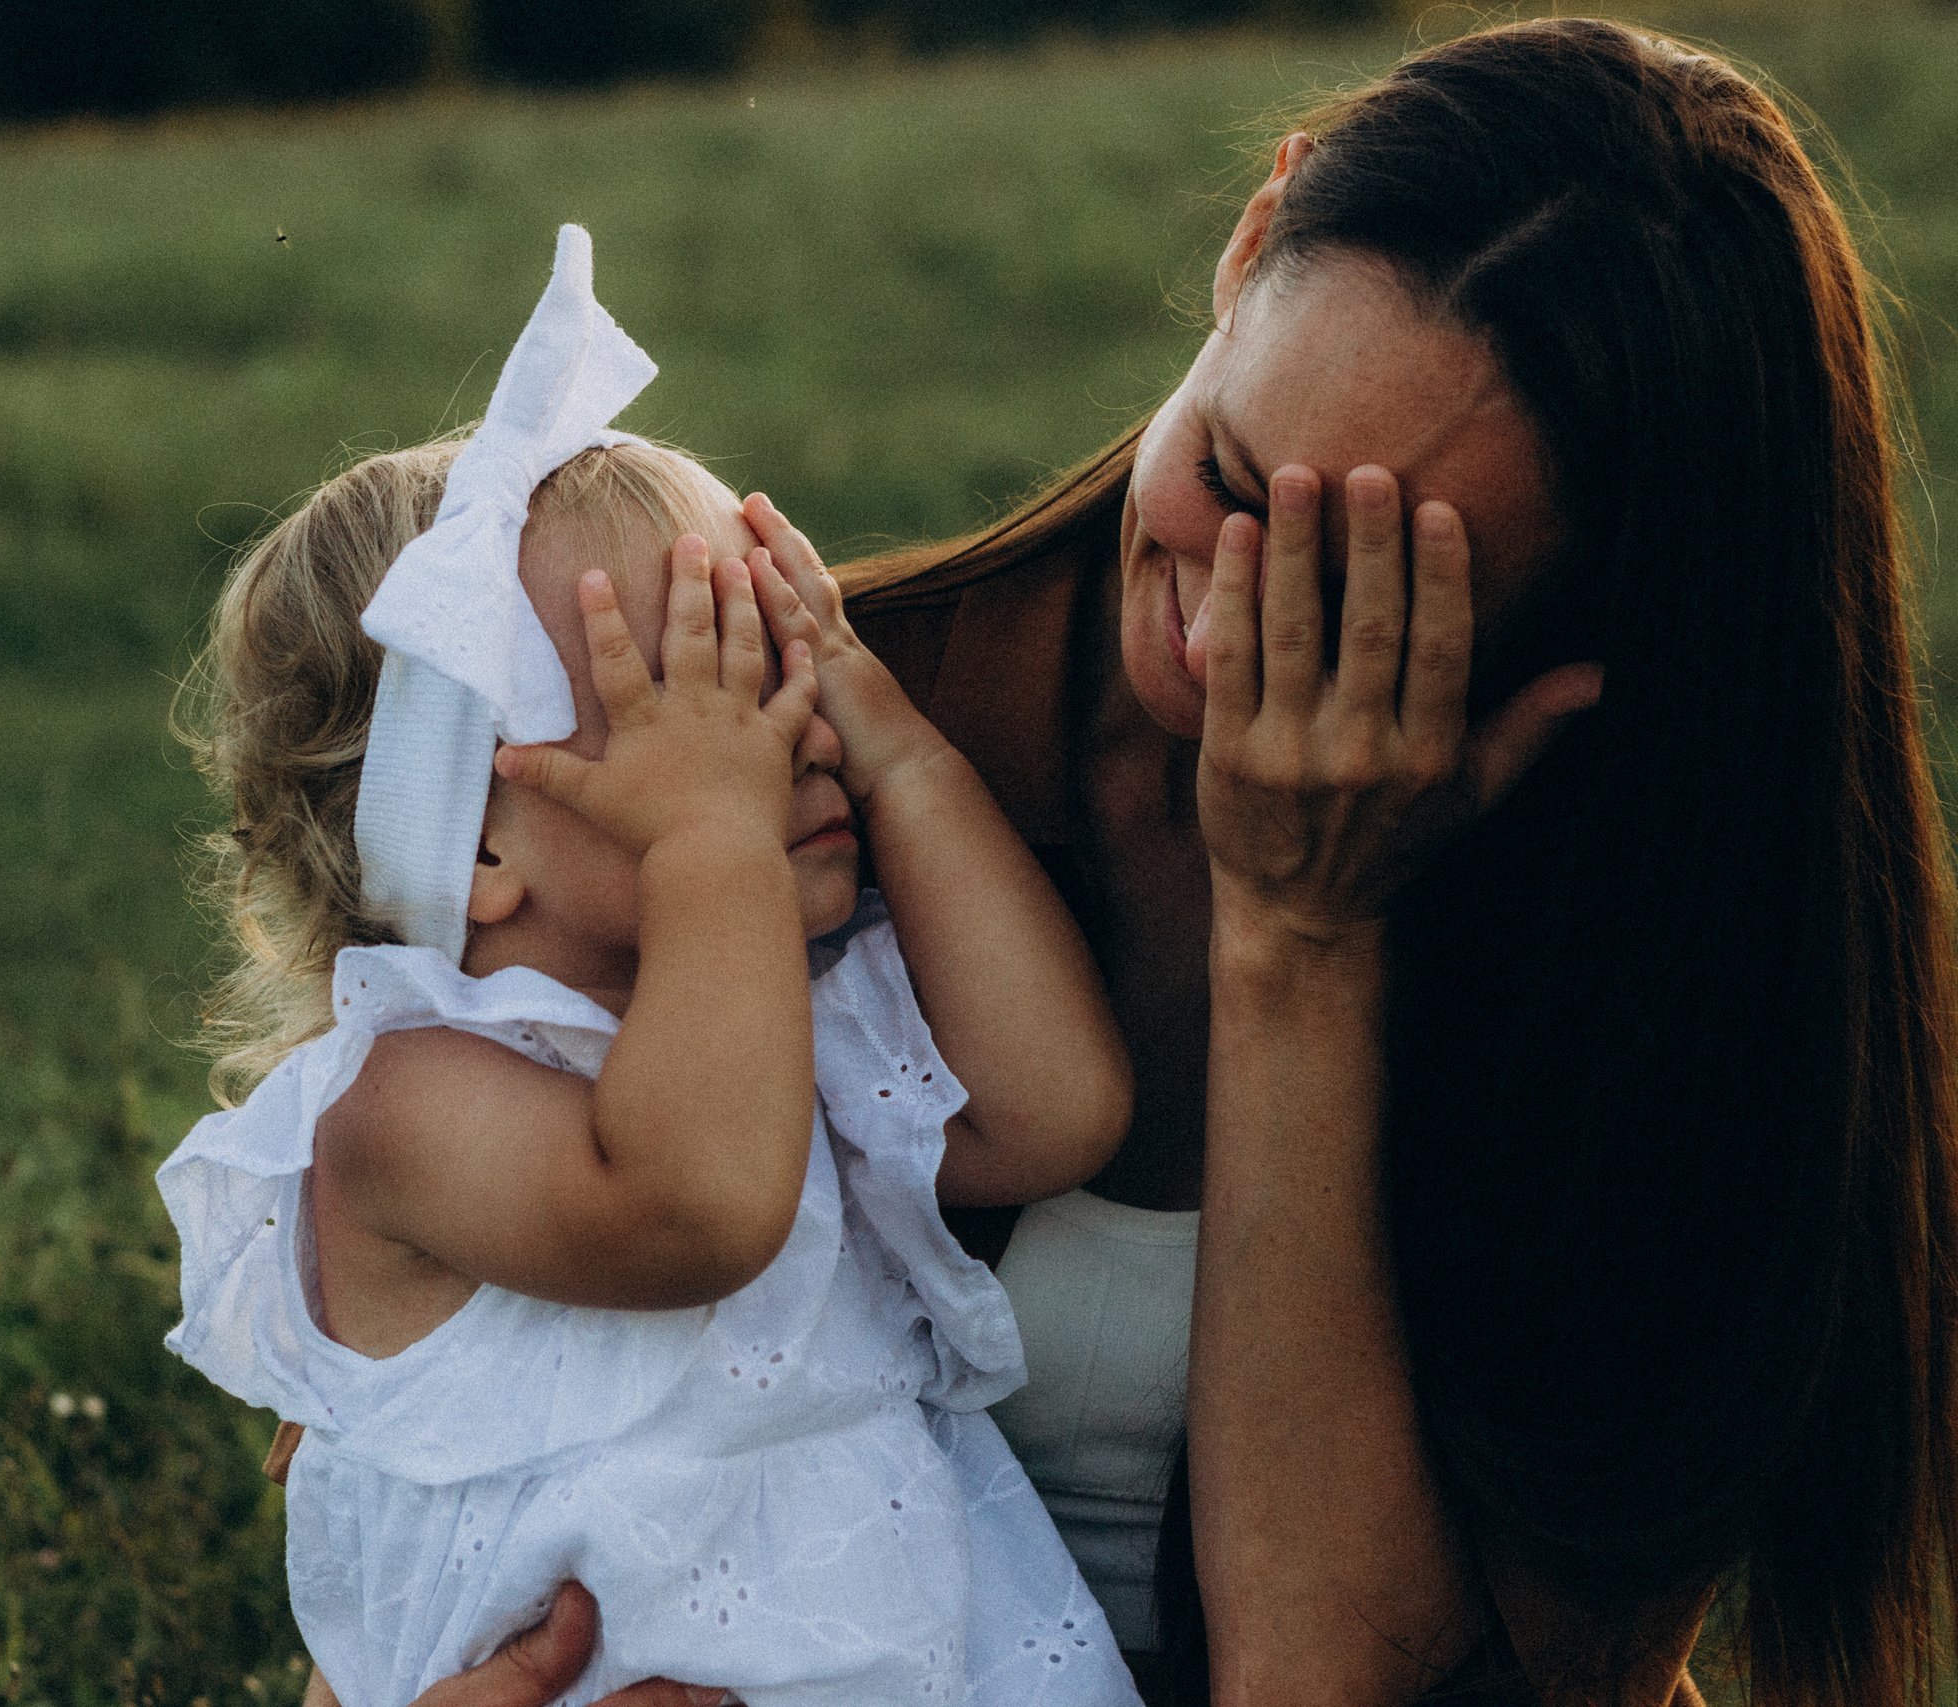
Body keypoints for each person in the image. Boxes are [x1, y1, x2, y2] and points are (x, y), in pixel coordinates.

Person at [398, 18, 1958, 1707]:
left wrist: (1302, 938)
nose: (1221, 635)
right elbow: (416, 1411)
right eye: (1227, 478)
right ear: (1246, 244)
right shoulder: (819, 751)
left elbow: (1329, 1681)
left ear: (1604, 634)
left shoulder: (1693, 997)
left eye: (1353, 605)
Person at [161, 228, 1145, 1705]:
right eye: (710, 694)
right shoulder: (400, 1106)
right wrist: (716, 849)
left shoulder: (772, 1015)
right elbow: (695, 1206)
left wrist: (890, 736)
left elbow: (1056, 1108)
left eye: (786, 662)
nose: (788, 730)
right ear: (481, 847)